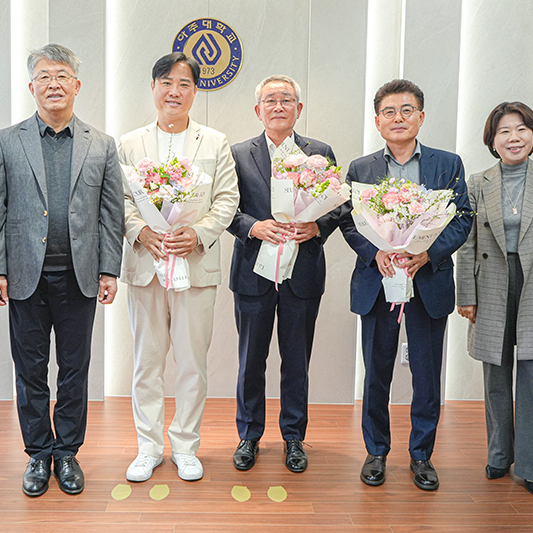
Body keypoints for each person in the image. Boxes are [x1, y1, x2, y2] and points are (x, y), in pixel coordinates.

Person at [0, 44, 124, 497]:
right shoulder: (7, 141)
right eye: (44, 76)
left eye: (61, 75)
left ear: (77, 85)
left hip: (80, 275)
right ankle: (39, 453)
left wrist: (109, 269)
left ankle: (68, 453)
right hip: (25, 276)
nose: (53, 84)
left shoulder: (101, 144)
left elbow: (111, 214)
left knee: (75, 370)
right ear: (32, 87)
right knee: (30, 369)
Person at [340, 79, 472, 491]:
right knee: (376, 372)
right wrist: (374, 252)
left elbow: (462, 218)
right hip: (377, 283)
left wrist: (428, 253)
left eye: (406, 110)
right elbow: (348, 220)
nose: (398, 118)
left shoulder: (447, 164)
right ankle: (376, 451)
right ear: (377, 121)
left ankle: (421, 455)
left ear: (421, 116)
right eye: (389, 112)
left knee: (426, 374)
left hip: (427, 281)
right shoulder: (361, 169)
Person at [118, 53, 238, 483]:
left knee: (192, 364)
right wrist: (139, 232)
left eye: (184, 84)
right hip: (145, 266)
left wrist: (199, 233)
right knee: (146, 363)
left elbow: (227, 199)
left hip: (195, 267)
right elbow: (120, 200)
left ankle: (186, 446)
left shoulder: (215, 142)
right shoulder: (130, 143)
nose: (175, 91)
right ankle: (148, 447)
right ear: (153, 88)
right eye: (166, 82)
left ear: (195, 91)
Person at [456, 102, 533, 498]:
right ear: (492, 140)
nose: (514, 138)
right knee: (495, 372)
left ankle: (532, 466)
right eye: (504, 131)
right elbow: (467, 244)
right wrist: (466, 293)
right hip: (491, 280)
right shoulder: (478, 182)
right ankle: (499, 454)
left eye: (521, 129)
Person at [226, 75, 338, 473]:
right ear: (258, 110)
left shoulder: (319, 153)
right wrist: (253, 226)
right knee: (250, 360)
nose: (278, 106)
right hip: (252, 273)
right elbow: (224, 208)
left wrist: (317, 227)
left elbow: (339, 205)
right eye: (270, 100)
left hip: (302, 272)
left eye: (286, 100)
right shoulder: (238, 153)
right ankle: (249, 436)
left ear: (298, 109)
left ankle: (294, 437)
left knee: (296, 361)